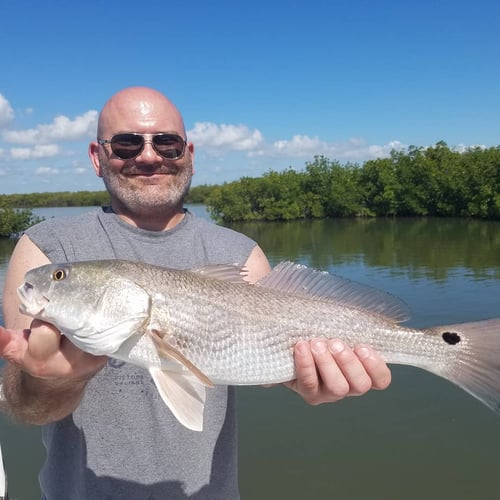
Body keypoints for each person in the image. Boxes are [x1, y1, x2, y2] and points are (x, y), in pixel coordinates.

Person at [0, 87, 391, 499]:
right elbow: (26, 407)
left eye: (166, 143)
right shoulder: (48, 248)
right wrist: (51, 382)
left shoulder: (240, 253)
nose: (149, 156)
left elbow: (266, 364)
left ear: (189, 154)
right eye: (127, 143)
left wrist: (311, 377)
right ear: (98, 157)